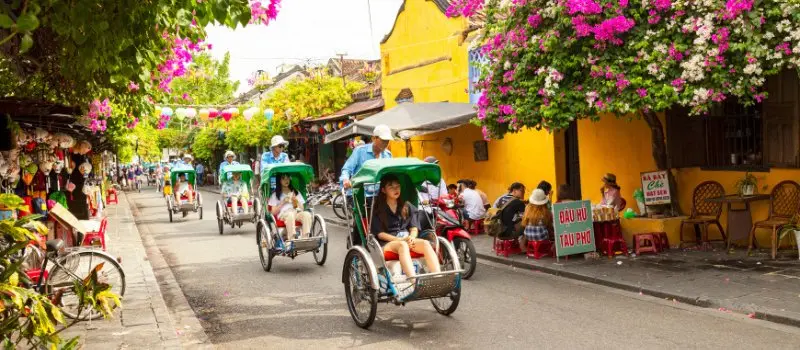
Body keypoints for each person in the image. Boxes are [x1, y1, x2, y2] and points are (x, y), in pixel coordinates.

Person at [371, 174, 440, 283]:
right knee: (402, 245)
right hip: (386, 243)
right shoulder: (377, 209)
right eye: (391, 187)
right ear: (383, 190)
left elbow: (414, 227)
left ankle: (437, 278)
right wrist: (400, 240)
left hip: (406, 239)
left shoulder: (406, 206)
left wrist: (412, 237)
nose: (396, 189)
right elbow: (380, 234)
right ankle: (414, 281)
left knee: (426, 243)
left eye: (398, 186)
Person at [340, 124, 393, 189]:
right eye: (383, 140)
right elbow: (347, 169)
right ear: (373, 138)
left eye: (387, 141)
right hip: (360, 193)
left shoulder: (388, 155)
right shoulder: (359, 151)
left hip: (379, 194)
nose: (385, 143)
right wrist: (345, 179)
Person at [268, 174, 313, 240]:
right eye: (283, 178)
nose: (286, 180)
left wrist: (296, 200)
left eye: (288, 178)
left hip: (296, 212)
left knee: (307, 215)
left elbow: (302, 208)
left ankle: (305, 238)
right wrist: (283, 202)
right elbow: (273, 212)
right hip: (284, 214)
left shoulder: (296, 192)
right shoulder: (275, 195)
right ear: (279, 181)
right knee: (290, 215)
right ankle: (291, 239)